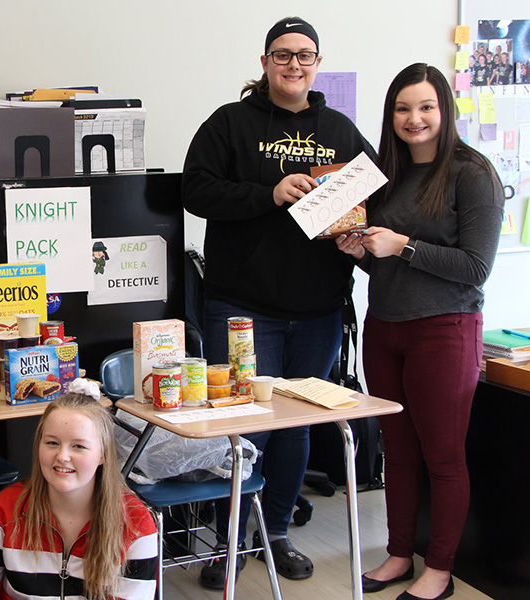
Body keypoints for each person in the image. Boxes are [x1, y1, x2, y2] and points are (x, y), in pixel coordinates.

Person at [181, 16, 374, 588]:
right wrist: (269, 192)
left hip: (318, 309)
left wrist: (357, 230)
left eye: (306, 55)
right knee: (243, 426)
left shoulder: (340, 129)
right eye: (283, 54)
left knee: (295, 428)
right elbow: (195, 190)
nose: (295, 64)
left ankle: (278, 534)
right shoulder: (229, 123)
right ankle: (230, 542)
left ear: (318, 64)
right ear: (265, 62)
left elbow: (371, 194)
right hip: (243, 307)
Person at [337, 63, 503, 600]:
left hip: (445, 331)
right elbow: (387, 265)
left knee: (443, 456)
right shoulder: (383, 173)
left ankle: (440, 569)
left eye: (426, 107)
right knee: (397, 453)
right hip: (385, 328)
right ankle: (397, 554)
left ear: (444, 111)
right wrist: (363, 252)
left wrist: (402, 244)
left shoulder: (471, 173)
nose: (414, 119)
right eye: (403, 108)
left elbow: (476, 267)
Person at [0, 391, 159, 600]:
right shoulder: (1, 513)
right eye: (52, 443)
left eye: (78, 446)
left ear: (103, 454)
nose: (62, 456)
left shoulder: (136, 524)